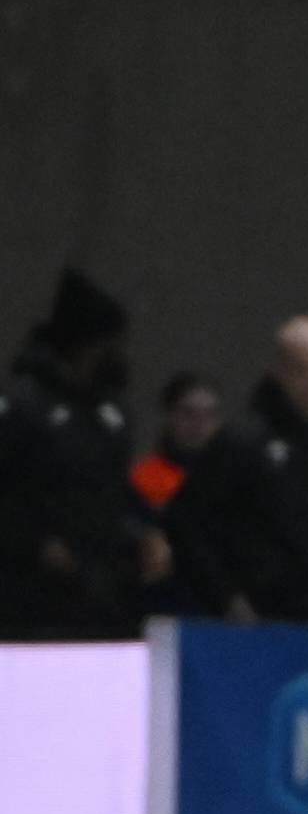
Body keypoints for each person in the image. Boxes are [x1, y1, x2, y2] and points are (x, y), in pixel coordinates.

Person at [168, 316, 308, 620]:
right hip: (260, 615)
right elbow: (186, 521)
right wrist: (225, 597)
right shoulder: (242, 442)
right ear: (278, 370)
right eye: (300, 369)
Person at [0, 269, 164, 635]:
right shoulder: (23, 405)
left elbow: (115, 491)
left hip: (103, 592)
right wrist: (35, 544)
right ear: (84, 346)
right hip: (29, 598)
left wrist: (142, 533)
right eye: (110, 344)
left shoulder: (112, 413)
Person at [131, 372, 224, 614]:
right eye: (188, 414)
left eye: (209, 415)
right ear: (169, 416)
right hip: (162, 600)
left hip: (219, 602)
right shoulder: (143, 477)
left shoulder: (232, 480)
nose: (199, 425)